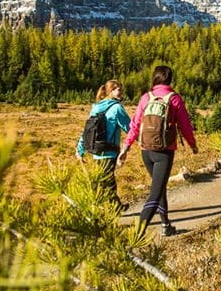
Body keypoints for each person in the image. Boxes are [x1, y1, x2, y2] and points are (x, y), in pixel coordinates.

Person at [117, 65, 198, 237]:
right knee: (155, 193)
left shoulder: (146, 97)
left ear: (155, 78)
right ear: (170, 79)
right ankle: (137, 234)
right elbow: (185, 126)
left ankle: (165, 225)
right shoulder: (174, 99)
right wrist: (192, 144)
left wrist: (125, 148)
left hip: (146, 150)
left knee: (159, 187)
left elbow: (135, 125)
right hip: (164, 151)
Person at [76, 80, 131, 210]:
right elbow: (130, 128)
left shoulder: (95, 107)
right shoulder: (117, 108)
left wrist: (80, 149)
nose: (121, 92)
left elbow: (88, 130)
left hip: (96, 151)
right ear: (111, 91)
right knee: (107, 181)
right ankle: (112, 209)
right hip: (109, 151)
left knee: (104, 180)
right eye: (118, 89)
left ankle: (109, 207)